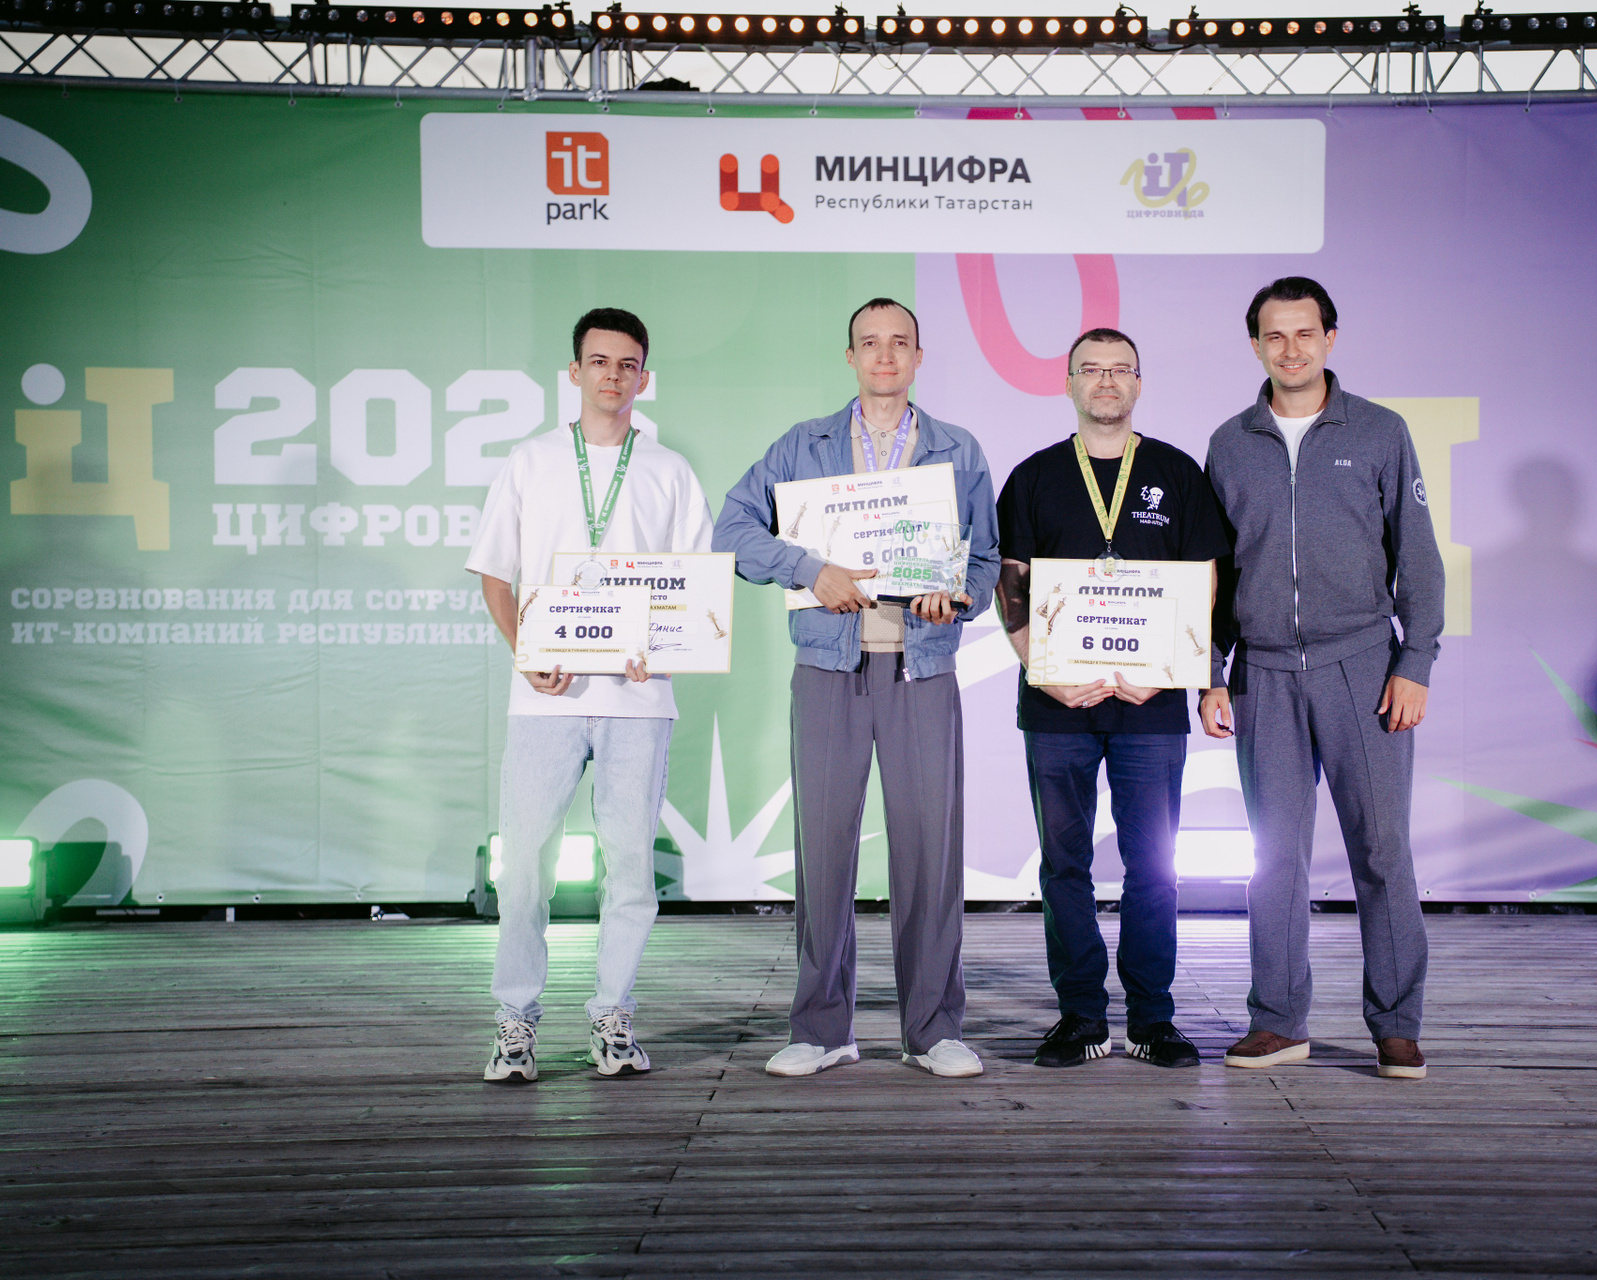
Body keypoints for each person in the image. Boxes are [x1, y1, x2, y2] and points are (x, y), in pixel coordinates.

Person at [713, 298, 1000, 1079]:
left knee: (930, 851)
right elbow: (732, 531)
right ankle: (821, 1028)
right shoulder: (802, 445)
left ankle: (932, 1030)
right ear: (850, 357)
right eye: (869, 343)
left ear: (918, 356)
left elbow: (983, 559)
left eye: (899, 342)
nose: (884, 355)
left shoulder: (958, 449)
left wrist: (957, 594)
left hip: (922, 668)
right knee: (824, 847)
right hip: (828, 668)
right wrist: (809, 569)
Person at [1201, 277, 1444, 1081]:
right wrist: (1211, 673)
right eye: (1274, 335)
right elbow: (1215, 575)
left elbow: (1418, 557)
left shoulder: (1379, 432)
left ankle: (1397, 1025)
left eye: (1305, 333)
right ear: (1256, 345)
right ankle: (1278, 1021)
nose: (1291, 348)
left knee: (1381, 850)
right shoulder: (1231, 443)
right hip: (1263, 673)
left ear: (1330, 338)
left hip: (1362, 667)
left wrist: (1415, 663)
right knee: (1274, 856)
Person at [466, 307, 714, 1083]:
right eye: (599, 362)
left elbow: (695, 590)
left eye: (627, 363)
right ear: (574, 372)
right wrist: (526, 652)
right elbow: (495, 573)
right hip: (546, 696)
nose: (613, 375)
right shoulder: (532, 461)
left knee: (632, 865)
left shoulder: (670, 471)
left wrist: (662, 649)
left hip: (639, 699)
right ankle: (515, 1021)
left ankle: (613, 1015)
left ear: (645, 376)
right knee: (523, 866)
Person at [994, 327, 1231, 1070]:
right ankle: (1081, 1016)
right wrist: (1043, 670)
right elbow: (1011, 585)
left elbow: (1205, 581)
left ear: (1138, 382)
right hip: (1057, 704)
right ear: (1068, 383)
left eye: (1119, 369)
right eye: (1090, 370)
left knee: (1153, 865)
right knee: (1063, 864)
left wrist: (1173, 669)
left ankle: (1152, 1019)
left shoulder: (1176, 472)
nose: (1105, 381)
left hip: (1150, 704)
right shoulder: (1034, 476)